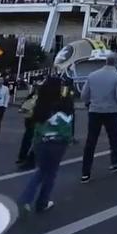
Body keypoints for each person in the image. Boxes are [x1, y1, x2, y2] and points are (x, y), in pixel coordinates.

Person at [17, 76, 74, 213]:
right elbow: (66, 125)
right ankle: (42, 202)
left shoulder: (41, 103)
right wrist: (68, 140)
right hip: (57, 143)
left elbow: (35, 126)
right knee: (51, 173)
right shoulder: (63, 103)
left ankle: (26, 199)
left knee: (41, 171)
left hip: (40, 142)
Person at [80, 54, 117, 183]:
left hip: (95, 111)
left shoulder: (93, 75)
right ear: (116, 63)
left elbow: (84, 95)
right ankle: (116, 163)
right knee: (114, 139)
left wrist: (91, 102)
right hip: (112, 111)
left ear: (105, 62)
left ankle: (85, 172)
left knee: (91, 142)